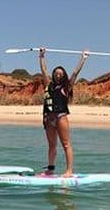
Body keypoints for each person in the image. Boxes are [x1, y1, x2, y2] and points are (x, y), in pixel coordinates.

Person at [38, 47, 89, 177]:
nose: (58, 75)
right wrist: (42, 56)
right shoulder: (48, 85)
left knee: (66, 144)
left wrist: (83, 58)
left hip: (61, 118)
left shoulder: (67, 87)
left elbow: (75, 73)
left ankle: (69, 170)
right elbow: (44, 70)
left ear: (63, 75)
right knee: (51, 146)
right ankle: (50, 169)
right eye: (56, 73)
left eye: (60, 73)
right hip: (49, 119)